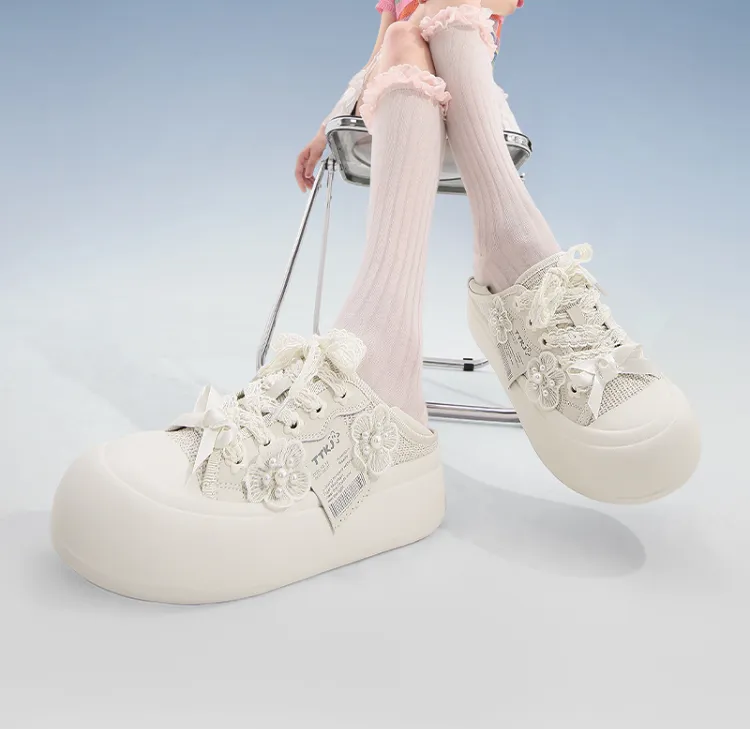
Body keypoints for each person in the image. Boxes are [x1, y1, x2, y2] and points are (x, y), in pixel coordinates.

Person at [50, 2, 700, 604]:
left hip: (473, 98)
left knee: (445, 16)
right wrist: (328, 123)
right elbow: (379, 52)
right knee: (403, 37)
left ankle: (436, 325)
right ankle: (505, 268)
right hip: (391, 105)